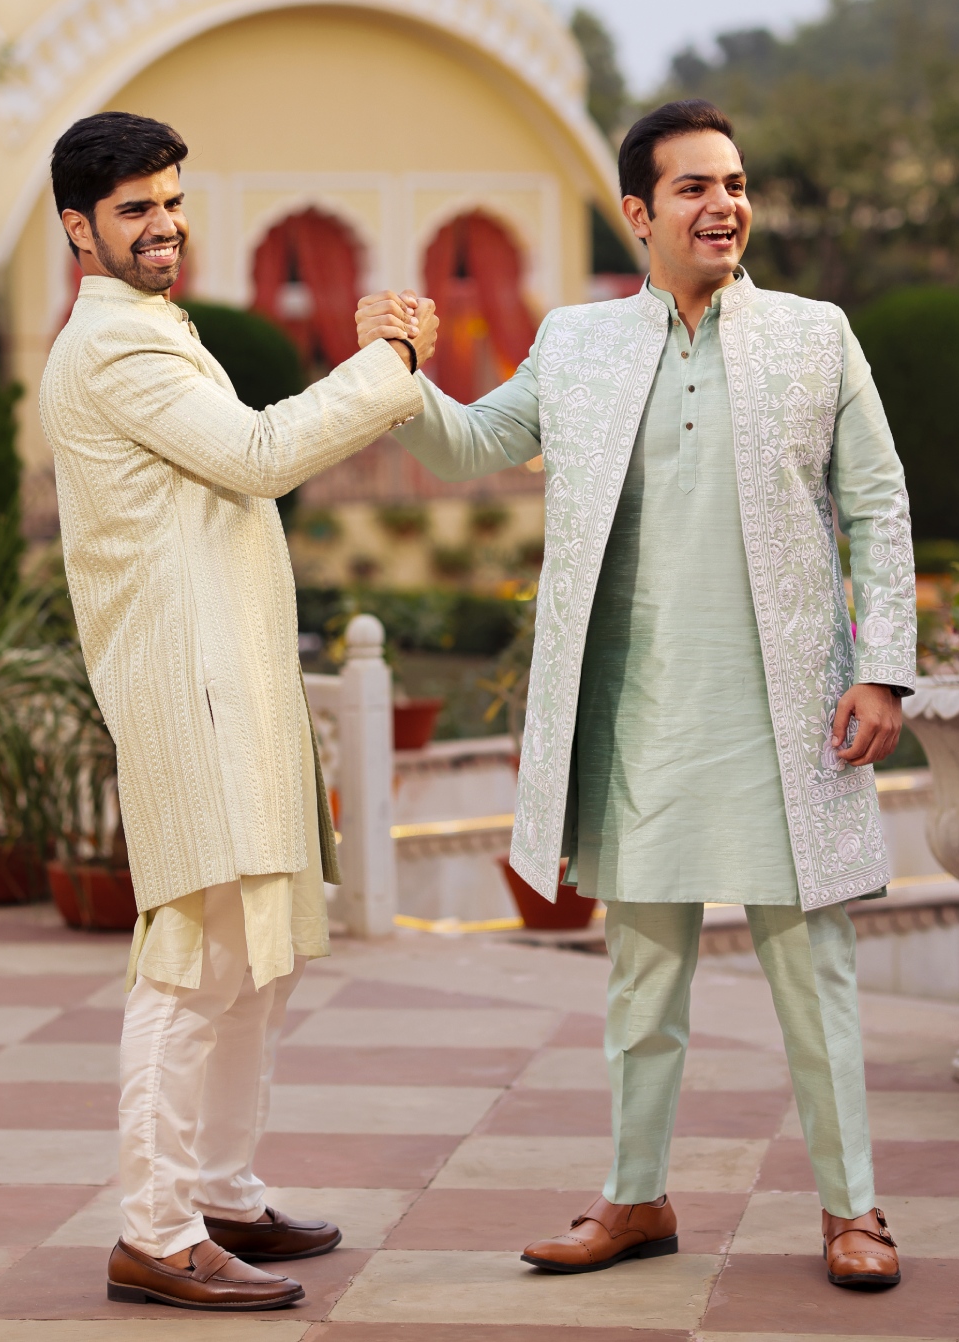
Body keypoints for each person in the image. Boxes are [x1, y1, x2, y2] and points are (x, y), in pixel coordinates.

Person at [359, 98, 912, 1292]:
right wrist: (393, 367)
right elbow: (469, 445)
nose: (724, 205)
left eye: (735, 183)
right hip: (642, 715)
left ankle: (853, 1209)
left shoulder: (815, 335)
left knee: (814, 978)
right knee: (641, 980)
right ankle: (635, 1196)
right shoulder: (577, 343)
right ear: (638, 213)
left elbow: (878, 501)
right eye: (695, 187)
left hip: (789, 720)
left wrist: (881, 668)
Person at [40, 111, 437, 1313]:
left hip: (229, 676)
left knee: (255, 961)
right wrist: (388, 363)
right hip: (187, 683)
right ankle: (156, 1231)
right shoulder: (115, 346)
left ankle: (217, 1191)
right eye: (134, 209)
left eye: (171, 200)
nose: (163, 225)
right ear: (78, 229)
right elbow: (261, 454)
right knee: (193, 957)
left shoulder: (153, 325)